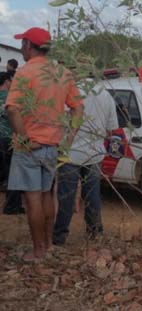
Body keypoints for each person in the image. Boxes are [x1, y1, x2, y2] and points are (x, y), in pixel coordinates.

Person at [6, 27, 84, 261]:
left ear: (29, 45)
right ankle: (48, 245)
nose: (21, 48)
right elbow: (78, 107)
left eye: (22, 44)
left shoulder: (25, 72)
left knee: (32, 199)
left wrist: (25, 139)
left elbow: (12, 109)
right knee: (48, 195)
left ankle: (38, 250)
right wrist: (68, 140)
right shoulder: (62, 73)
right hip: (53, 146)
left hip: (30, 147)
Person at [53, 84, 118, 246]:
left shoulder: (68, 92)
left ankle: (59, 236)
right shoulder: (105, 94)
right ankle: (95, 232)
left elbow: (58, 123)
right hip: (94, 154)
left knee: (66, 196)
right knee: (92, 193)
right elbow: (111, 129)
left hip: (70, 153)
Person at [0, 72, 24, 214]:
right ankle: (11, 205)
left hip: (1, 138)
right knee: (13, 172)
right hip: (10, 139)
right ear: (7, 82)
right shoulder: (11, 98)